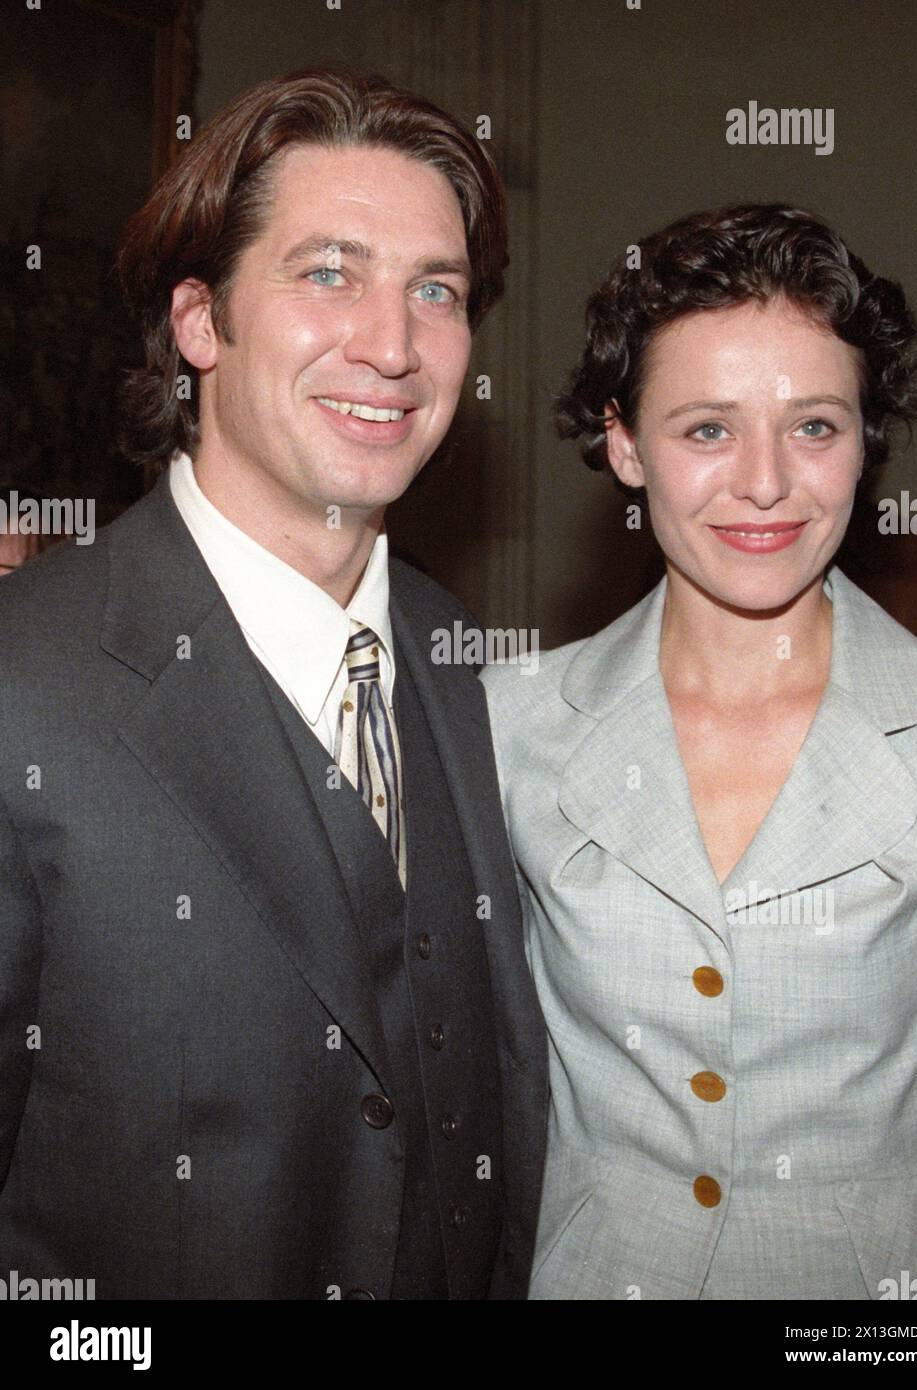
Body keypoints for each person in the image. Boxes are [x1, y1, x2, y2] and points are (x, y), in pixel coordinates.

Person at [0, 66, 548, 1301]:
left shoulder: (471, 669)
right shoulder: (23, 678)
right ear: (199, 321)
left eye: (436, 290)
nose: (393, 344)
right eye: (326, 273)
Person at [482, 204, 917, 1300]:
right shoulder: (505, 726)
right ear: (623, 442)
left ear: (864, 440)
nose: (764, 483)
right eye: (706, 428)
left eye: (813, 427)